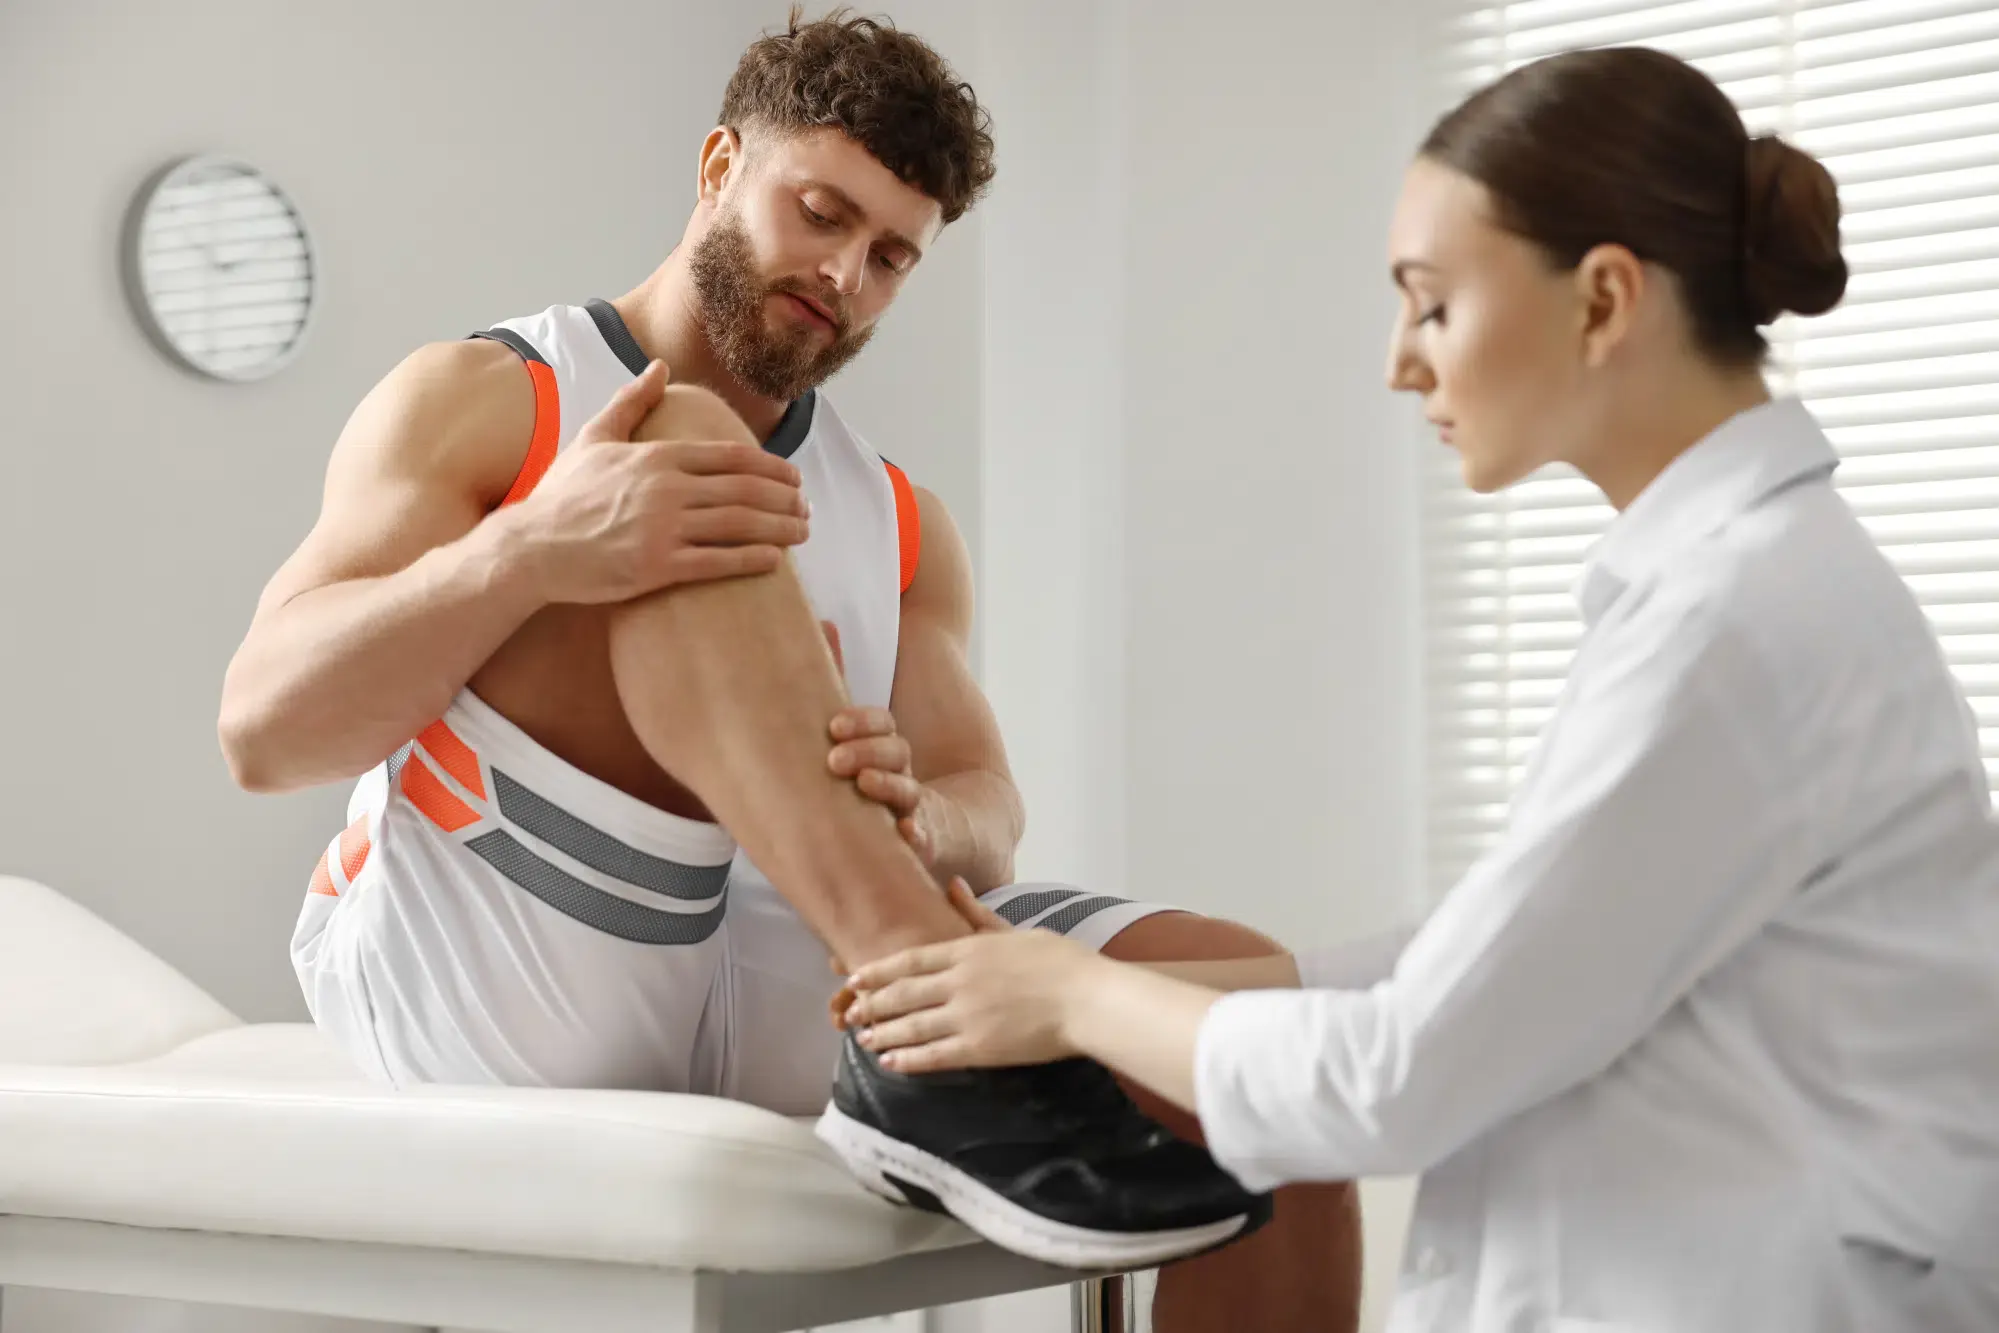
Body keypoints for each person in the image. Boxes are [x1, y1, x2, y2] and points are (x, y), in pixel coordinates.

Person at [216, 9, 1360, 1327]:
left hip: (782, 957)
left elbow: (984, 801)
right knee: (688, 446)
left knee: (1278, 1060)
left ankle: (914, 1016)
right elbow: (263, 734)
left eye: (889, 257)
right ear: (717, 167)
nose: (845, 276)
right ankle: (928, 1038)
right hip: (504, 951)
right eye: (819, 212)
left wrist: (926, 814)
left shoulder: (897, 513)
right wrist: (527, 552)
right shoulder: (486, 396)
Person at [839, 44, 1999, 1332]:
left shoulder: (1736, 628)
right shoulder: (1746, 592)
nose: (1401, 362)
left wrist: (1074, 996)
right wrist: (1086, 983)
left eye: (1432, 304)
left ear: (1605, 302)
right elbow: (1479, 967)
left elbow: (1403, 1074)